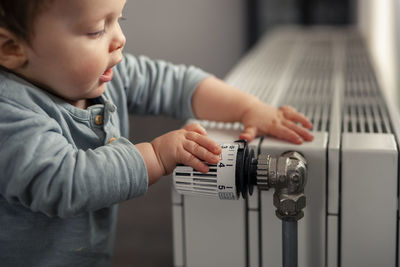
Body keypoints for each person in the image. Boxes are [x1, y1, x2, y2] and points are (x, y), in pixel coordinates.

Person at [0, 0, 314, 266]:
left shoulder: (108, 74)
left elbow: (177, 84)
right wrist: (156, 156)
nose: (119, 39)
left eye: (119, 20)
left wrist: (248, 108)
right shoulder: (9, 113)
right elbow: (63, 181)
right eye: (97, 29)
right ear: (12, 48)